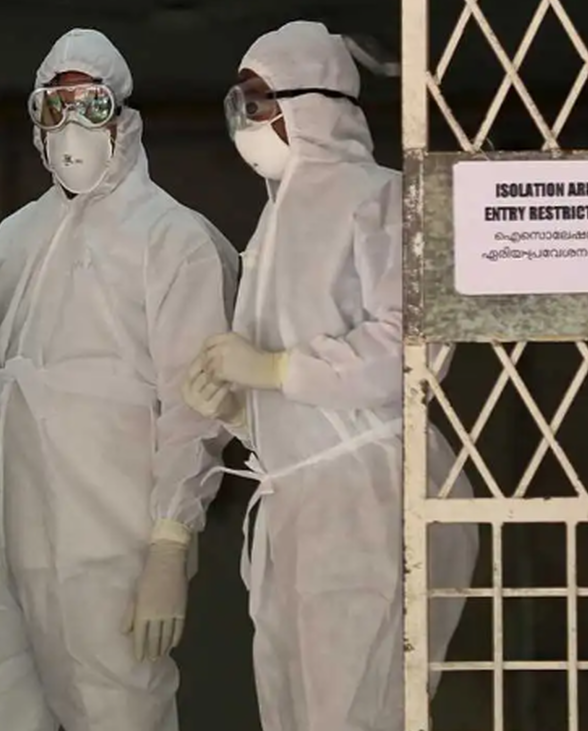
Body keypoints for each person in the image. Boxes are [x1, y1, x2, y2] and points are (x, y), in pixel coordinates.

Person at [0, 28, 240, 731]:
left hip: (107, 540)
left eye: (90, 106)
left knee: (115, 710)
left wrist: (168, 540)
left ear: (122, 116)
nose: (70, 127)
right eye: (53, 107)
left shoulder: (173, 238)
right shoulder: (14, 239)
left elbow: (198, 406)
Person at [181, 21, 480, 731]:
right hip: (298, 503)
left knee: (359, 709)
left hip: (364, 498)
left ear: (311, 102)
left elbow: (412, 344)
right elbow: (280, 385)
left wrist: (281, 368)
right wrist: (236, 407)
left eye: (257, 101)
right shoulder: (274, 221)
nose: (244, 121)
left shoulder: (379, 197)